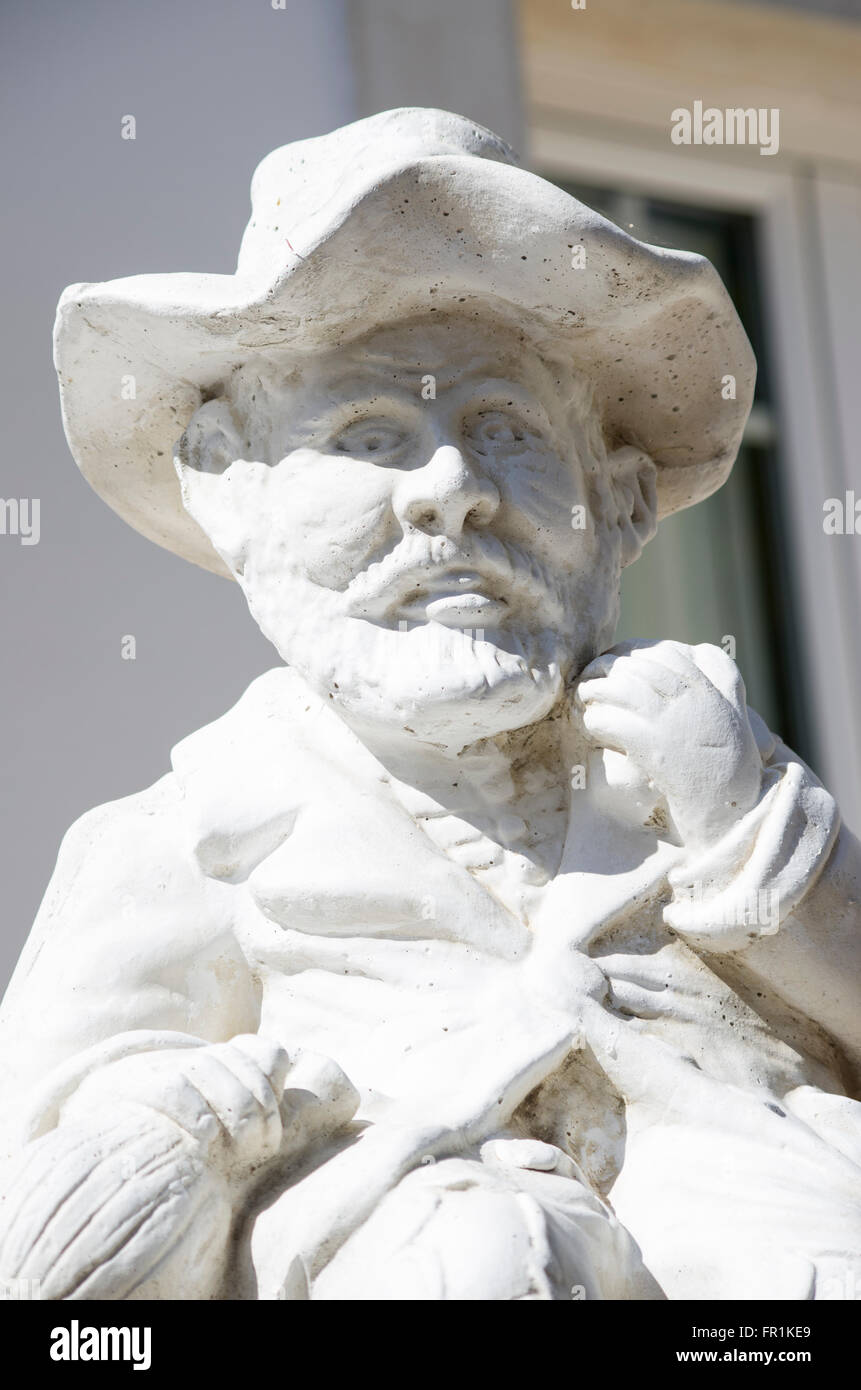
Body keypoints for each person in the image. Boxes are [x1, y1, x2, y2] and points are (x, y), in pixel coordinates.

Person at [1, 108, 859, 1301]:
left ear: (618, 506)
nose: (449, 493)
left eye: (504, 429)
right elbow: (54, 1249)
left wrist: (750, 829)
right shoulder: (187, 841)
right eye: (371, 435)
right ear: (230, 492)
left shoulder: (698, 765)